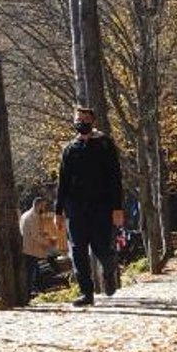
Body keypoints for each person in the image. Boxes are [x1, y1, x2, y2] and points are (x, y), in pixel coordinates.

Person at [54, 106, 124, 307]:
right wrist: (58, 211)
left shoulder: (104, 144)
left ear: (93, 121)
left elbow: (115, 177)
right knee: (77, 251)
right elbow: (63, 181)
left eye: (85, 119)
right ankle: (87, 293)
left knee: (102, 248)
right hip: (75, 209)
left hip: (101, 207)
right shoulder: (69, 149)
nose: (81, 122)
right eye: (78, 118)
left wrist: (117, 207)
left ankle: (109, 271)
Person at [19, 196, 55, 295]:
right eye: (43, 206)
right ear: (39, 205)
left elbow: (28, 231)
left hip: (27, 247)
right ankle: (28, 294)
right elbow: (35, 236)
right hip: (31, 248)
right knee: (30, 273)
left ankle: (34, 291)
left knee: (32, 271)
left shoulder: (25, 214)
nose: (44, 208)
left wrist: (43, 234)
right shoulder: (33, 217)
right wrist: (49, 242)